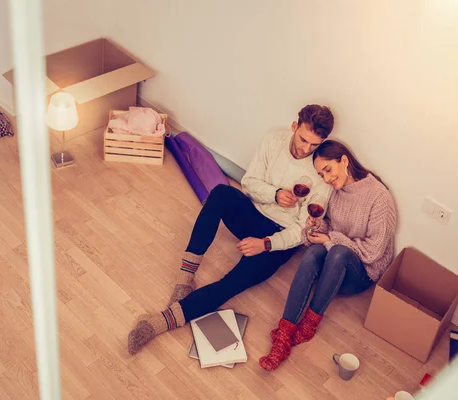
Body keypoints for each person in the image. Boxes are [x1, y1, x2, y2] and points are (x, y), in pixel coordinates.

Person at [127, 104, 335, 355]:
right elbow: (248, 183)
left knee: (232, 283)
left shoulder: (323, 170)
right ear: (294, 127)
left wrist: (265, 244)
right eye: (303, 139)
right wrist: (275, 194)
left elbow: (300, 232)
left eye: (314, 145)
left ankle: (158, 323)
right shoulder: (274, 139)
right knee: (222, 193)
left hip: (278, 239)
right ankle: (184, 280)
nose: (306, 149)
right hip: (255, 213)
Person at [259, 140, 397, 371]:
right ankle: (285, 332)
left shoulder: (378, 198)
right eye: (321, 174)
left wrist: (331, 240)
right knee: (314, 250)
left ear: (344, 160)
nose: (327, 179)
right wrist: (316, 227)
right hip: (332, 267)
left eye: (328, 170)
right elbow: (329, 230)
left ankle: (309, 325)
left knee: (338, 252)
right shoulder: (334, 192)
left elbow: (373, 253)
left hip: (360, 273)